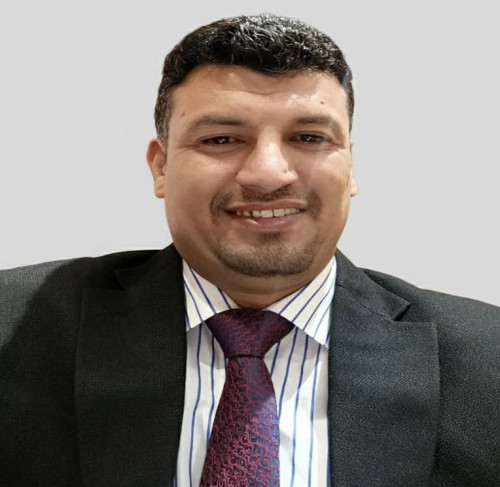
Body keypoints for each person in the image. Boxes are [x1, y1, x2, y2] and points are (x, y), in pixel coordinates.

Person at [1, 12, 499, 487]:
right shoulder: (14, 329)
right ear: (160, 166)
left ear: (350, 166)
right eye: (221, 139)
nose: (268, 173)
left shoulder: (488, 362)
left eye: (309, 137)